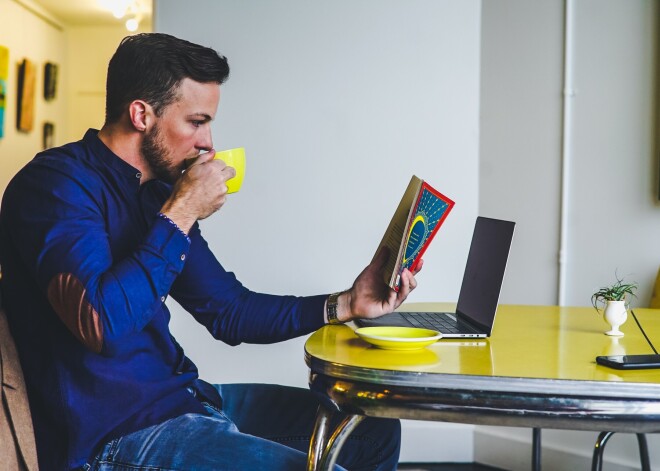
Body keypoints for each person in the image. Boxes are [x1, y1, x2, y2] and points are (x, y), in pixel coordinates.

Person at [0, 33, 420, 471]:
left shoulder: (158, 195)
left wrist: (348, 303)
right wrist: (181, 213)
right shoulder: (55, 186)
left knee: (371, 430)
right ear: (142, 114)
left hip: (186, 400)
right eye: (196, 122)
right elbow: (102, 324)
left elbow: (229, 311)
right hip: (114, 435)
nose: (208, 143)